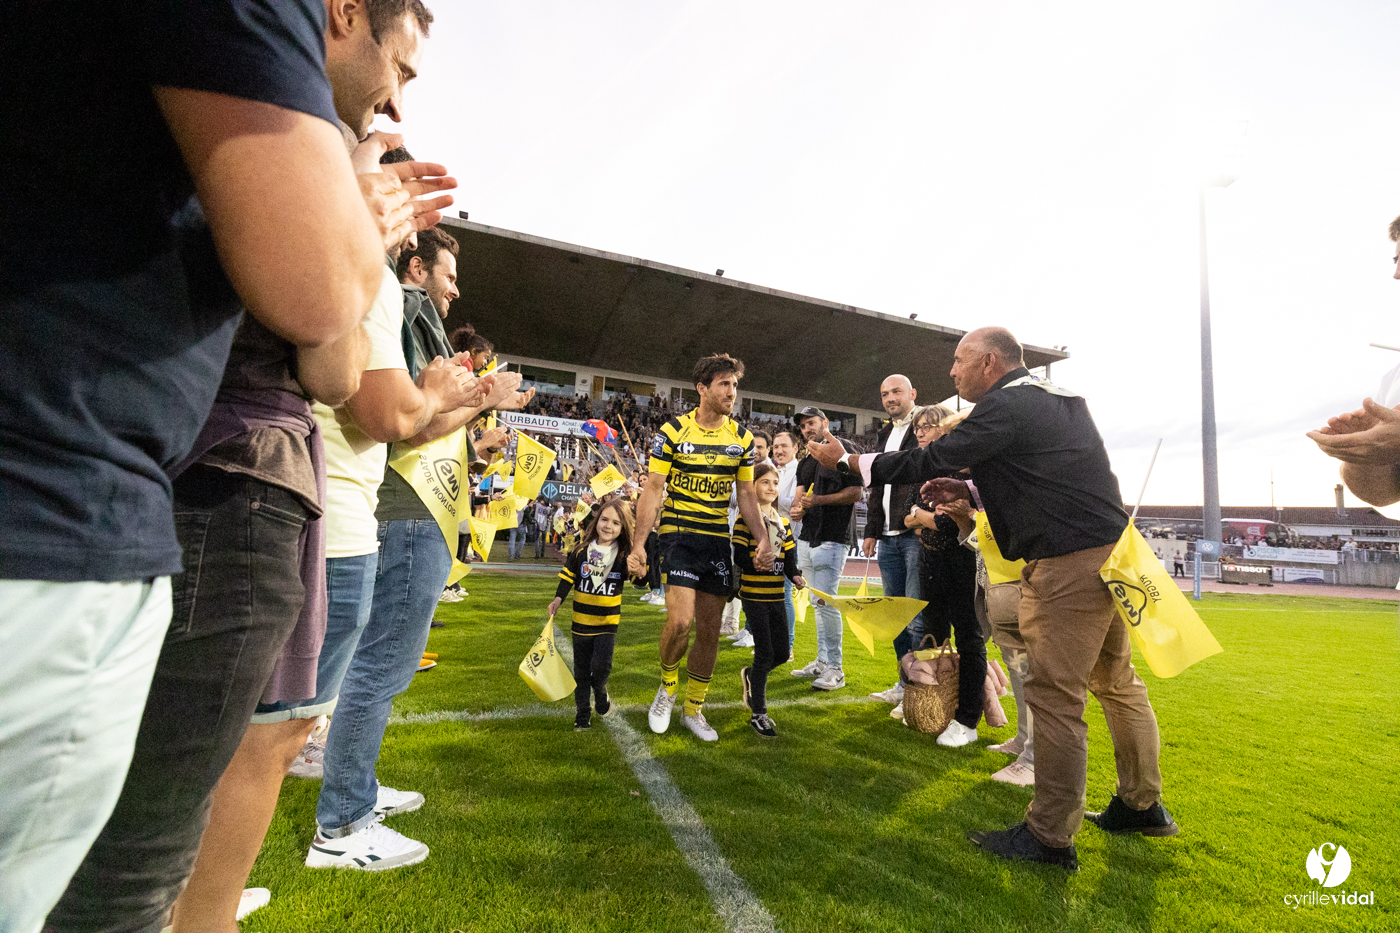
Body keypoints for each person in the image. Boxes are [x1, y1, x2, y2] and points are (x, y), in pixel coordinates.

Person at [0, 3, 389, 930]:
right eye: (401, 69)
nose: (395, 98)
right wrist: (359, 218)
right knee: (120, 882)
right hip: (76, 503)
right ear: (345, 16)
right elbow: (323, 307)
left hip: (104, 488)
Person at [806, 326, 1174, 872]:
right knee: (1117, 683)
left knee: (1055, 696)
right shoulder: (1057, 400)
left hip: (1066, 561)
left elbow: (931, 458)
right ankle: (1142, 804)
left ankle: (1049, 835)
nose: (951, 372)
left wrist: (848, 461)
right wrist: (971, 492)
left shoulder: (1007, 404)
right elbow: (1039, 474)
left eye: (959, 361)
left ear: (990, 363)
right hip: (1113, 553)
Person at [629, 354, 771, 742]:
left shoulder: (742, 439)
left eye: (735, 385)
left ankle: (694, 708)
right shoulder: (672, 431)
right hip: (677, 535)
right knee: (679, 623)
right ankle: (667, 687)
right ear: (702, 389)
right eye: (724, 384)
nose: (732, 392)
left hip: (715, 540)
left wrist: (763, 539)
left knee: (710, 631)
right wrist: (639, 544)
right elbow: (654, 489)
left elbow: (746, 495)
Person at [863, 377, 933, 708]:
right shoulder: (882, 434)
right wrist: (871, 530)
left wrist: (919, 516)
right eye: (885, 394)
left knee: (917, 615)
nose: (890, 398)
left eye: (896, 392)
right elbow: (877, 484)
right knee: (895, 616)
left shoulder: (923, 428)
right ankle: (904, 683)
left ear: (913, 393)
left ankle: (920, 693)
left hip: (915, 534)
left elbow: (922, 474)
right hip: (888, 536)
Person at [549, 501, 644, 730]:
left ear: (623, 528)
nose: (608, 526)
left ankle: (600, 691)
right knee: (581, 672)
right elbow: (568, 578)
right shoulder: (581, 551)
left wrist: (640, 571)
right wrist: (558, 598)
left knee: (601, 669)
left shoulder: (623, 555)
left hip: (607, 624)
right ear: (596, 521)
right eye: (604, 519)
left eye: (615, 522)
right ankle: (583, 713)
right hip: (580, 623)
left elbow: (640, 581)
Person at [789, 407, 863, 692]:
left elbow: (856, 492)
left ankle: (836, 668)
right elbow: (798, 499)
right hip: (807, 538)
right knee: (819, 605)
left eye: (811, 423)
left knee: (826, 604)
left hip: (833, 537)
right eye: (803, 426)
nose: (807, 429)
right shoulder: (805, 461)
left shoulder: (844, 449)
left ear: (825, 423)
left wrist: (818, 501)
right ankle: (822, 661)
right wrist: (797, 510)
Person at [734, 462, 806, 737]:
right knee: (765, 653)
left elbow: (789, 559)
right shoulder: (745, 520)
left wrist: (796, 576)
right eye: (765, 482)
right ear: (751, 487)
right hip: (754, 596)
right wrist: (755, 562)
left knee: (780, 653)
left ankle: (751, 675)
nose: (771, 487)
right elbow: (739, 556)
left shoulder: (783, 523)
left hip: (777, 597)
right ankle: (759, 713)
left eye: (775, 483)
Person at [771, 429, 803, 656]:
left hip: (791, 537)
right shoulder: (773, 470)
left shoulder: (800, 471)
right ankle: (775, 643)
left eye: (784, 446)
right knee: (772, 592)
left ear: (795, 448)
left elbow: (792, 504)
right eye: (776, 447)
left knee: (784, 592)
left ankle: (787, 646)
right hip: (772, 536)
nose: (779, 450)